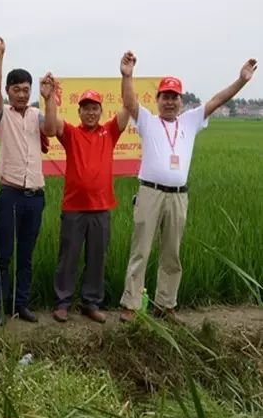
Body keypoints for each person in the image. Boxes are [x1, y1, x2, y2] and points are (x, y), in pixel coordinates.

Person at [119, 53, 257, 322]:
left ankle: (165, 305)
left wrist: (241, 80)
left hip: (178, 197)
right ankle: (131, 305)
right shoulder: (147, 121)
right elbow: (129, 102)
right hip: (149, 193)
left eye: (175, 97)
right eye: (165, 96)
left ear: (181, 101)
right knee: (141, 251)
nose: (170, 102)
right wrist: (127, 75)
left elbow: (218, 100)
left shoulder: (190, 121)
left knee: (172, 253)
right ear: (157, 99)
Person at [43, 58, 131, 324]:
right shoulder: (71, 133)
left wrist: (127, 75)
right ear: (79, 112)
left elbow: (128, 107)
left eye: (94, 108)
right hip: (74, 207)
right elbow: (52, 126)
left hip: (101, 207)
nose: (91, 113)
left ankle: (91, 303)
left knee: (96, 258)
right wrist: (49, 97)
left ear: (101, 111)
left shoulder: (110, 132)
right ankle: (62, 303)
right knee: (68, 257)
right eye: (86, 108)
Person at [0, 41, 48, 325]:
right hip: (10, 194)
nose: (22, 94)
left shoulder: (37, 115)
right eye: (17, 89)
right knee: (4, 254)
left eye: (26, 89)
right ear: (8, 91)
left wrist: (50, 98)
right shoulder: (1, 115)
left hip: (35, 195)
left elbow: (52, 129)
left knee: (26, 255)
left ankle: (21, 304)